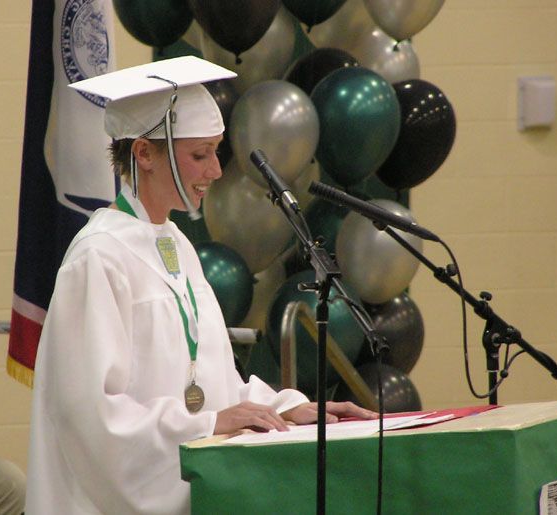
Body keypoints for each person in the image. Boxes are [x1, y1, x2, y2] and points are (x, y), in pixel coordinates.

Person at [24, 56, 377, 514]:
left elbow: (210, 380)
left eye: (215, 151)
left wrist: (286, 407)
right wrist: (208, 424)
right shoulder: (100, 256)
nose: (215, 170)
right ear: (144, 153)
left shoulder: (175, 246)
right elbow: (92, 416)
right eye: (199, 154)